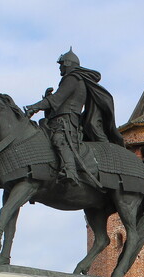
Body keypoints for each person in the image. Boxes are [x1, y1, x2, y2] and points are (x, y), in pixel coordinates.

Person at [24, 48, 122, 184]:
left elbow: (56, 100)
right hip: (59, 120)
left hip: (66, 122)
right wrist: (47, 99)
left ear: (68, 64)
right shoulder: (72, 79)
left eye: (61, 65)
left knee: (59, 140)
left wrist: (34, 107)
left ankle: (70, 170)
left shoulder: (73, 78)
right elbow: (57, 103)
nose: (60, 68)